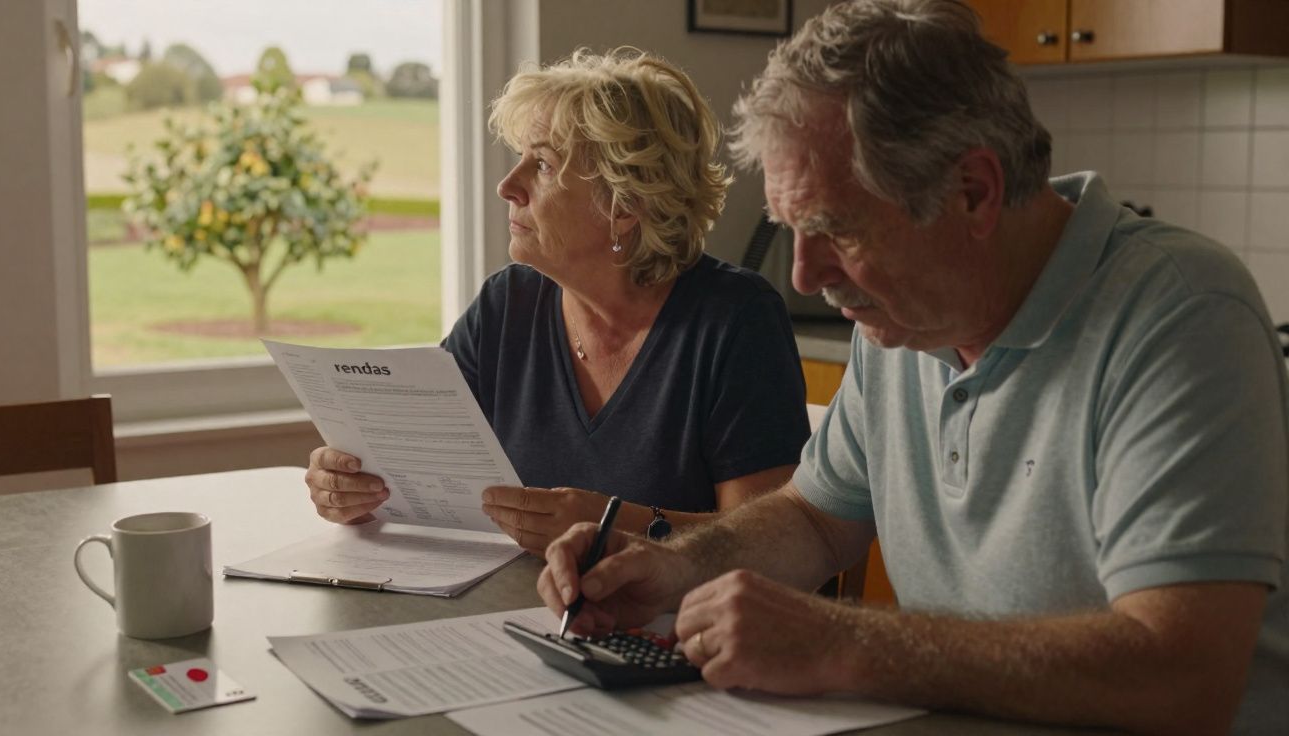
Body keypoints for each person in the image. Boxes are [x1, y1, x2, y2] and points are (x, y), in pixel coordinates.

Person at [537, 2, 1289, 734]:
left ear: (973, 192)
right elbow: (811, 519)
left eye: (834, 229)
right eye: (793, 229)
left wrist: (844, 641)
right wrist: (672, 567)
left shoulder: (1181, 315)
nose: (803, 274)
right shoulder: (900, 321)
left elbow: (1185, 672)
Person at [304, 48, 811, 555]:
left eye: (542, 164)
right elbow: (417, 473)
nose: (508, 186)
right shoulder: (506, 306)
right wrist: (355, 485)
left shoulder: (737, 321)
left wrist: (612, 525)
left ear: (624, 202)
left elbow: (767, 547)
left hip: (674, 629)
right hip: (511, 614)